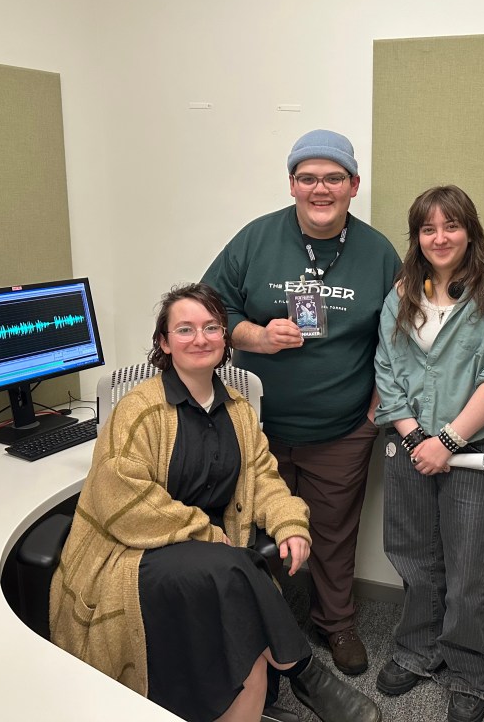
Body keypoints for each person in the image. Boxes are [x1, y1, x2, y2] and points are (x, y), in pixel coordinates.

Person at [49, 283, 381, 722]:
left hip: (211, 556)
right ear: (164, 343)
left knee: (239, 608)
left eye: (211, 327)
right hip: (135, 553)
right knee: (235, 568)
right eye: (185, 329)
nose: (200, 338)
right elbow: (120, 499)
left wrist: (290, 523)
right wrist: (204, 533)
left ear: (225, 338)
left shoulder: (238, 411)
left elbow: (263, 478)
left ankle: (284, 679)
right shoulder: (139, 410)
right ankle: (305, 672)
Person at [203, 129, 401, 675]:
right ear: (291, 184)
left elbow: (400, 338)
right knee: (249, 529)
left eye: (333, 177)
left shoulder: (379, 253)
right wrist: (257, 336)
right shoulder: (256, 239)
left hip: (341, 429)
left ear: (353, 185)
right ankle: (254, 627)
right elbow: (210, 312)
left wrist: (374, 413)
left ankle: (336, 623)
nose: (321, 188)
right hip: (256, 429)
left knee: (333, 534)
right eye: (308, 177)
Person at [373, 185, 484, 722]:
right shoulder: (402, 294)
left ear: (470, 230)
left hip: (474, 452)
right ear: (417, 237)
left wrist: (447, 441)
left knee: (470, 570)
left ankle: (470, 671)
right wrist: (416, 438)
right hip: (410, 446)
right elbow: (387, 372)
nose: (440, 238)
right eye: (428, 229)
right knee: (413, 557)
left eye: (451, 226)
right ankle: (418, 650)